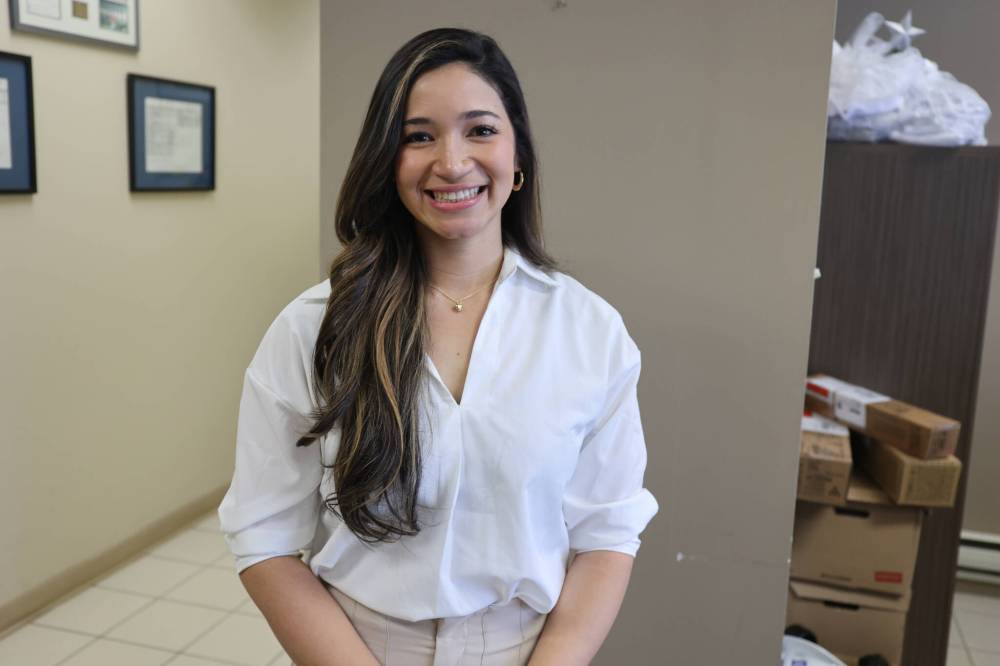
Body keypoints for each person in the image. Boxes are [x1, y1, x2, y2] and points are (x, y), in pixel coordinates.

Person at [218, 27, 658, 666]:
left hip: (529, 649)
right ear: (386, 161)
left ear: (518, 154)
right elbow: (264, 537)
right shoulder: (315, 327)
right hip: (356, 648)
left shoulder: (588, 329)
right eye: (418, 136)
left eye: (480, 130)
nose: (451, 163)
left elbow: (607, 533)